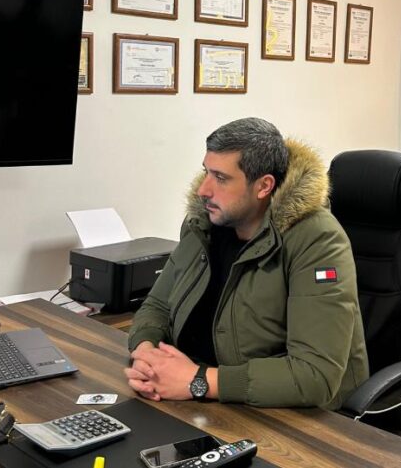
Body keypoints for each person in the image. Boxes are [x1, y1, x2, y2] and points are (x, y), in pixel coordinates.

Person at [124, 118, 368, 409]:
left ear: (264, 186)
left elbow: (314, 376)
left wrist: (197, 380)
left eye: (221, 178)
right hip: (199, 400)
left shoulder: (317, 240)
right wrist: (147, 353)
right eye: (206, 172)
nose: (204, 190)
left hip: (286, 417)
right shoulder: (203, 225)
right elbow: (157, 307)